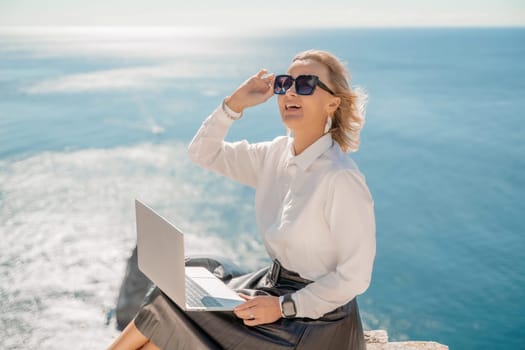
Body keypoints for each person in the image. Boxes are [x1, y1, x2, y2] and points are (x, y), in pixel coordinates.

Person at [108, 49, 376, 350]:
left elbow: (355, 278)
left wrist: (283, 307)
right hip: (273, 288)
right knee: (184, 275)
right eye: (284, 84)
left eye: (305, 85)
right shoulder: (275, 154)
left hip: (313, 325)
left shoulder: (340, 178)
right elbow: (203, 152)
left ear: (333, 102)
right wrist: (234, 105)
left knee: (167, 302)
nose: (290, 92)